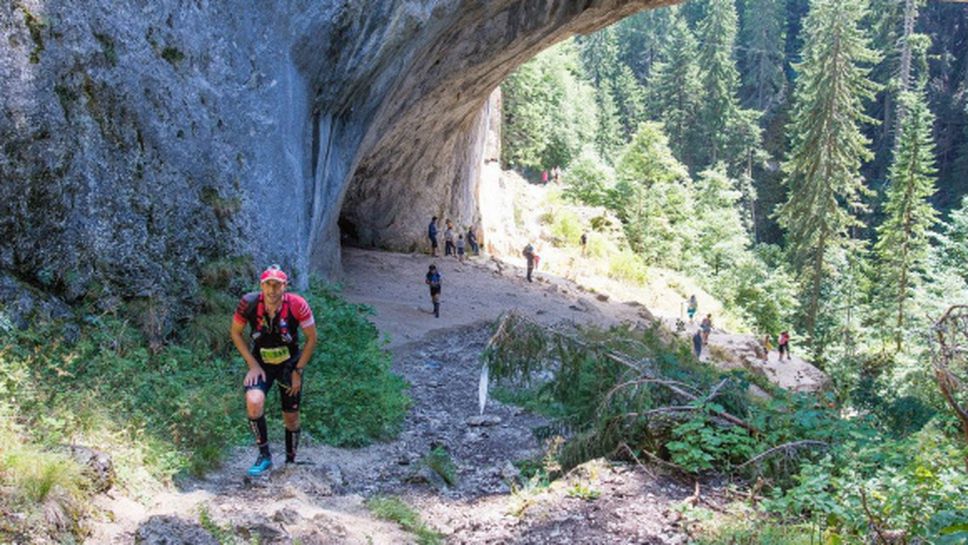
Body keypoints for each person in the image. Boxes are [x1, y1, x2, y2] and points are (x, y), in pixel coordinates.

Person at [230, 265, 318, 476]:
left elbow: (311, 338)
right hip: (261, 362)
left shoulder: (297, 305)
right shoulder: (249, 303)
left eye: (277, 285)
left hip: (289, 364)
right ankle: (264, 456)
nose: (272, 290)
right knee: (253, 400)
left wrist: (298, 370)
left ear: (284, 287)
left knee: (292, 417)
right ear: (261, 286)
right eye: (268, 285)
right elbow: (235, 333)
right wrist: (252, 364)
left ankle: (290, 461)